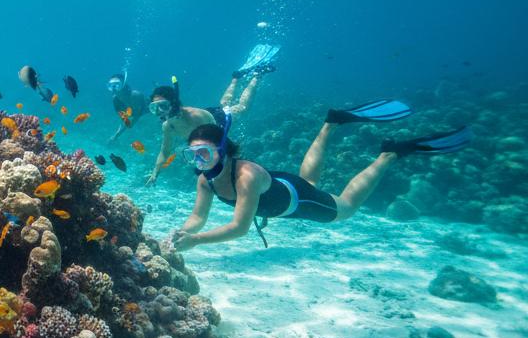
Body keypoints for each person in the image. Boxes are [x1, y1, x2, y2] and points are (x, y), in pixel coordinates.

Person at [170, 100, 471, 250]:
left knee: (346, 208)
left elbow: (239, 228)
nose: (199, 161)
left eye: (205, 154)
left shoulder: (244, 177)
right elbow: (198, 217)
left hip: (298, 201)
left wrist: (195, 241)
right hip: (284, 185)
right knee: (309, 179)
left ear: (223, 151)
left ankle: (389, 154)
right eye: (192, 155)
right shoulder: (204, 179)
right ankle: (331, 124)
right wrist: (185, 231)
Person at [144, 68, 271, 186]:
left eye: (163, 106)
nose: (160, 112)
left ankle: (257, 75)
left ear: (174, 103)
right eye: (154, 108)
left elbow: (218, 139)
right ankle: (235, 78)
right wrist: (155, 173)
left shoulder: (196, 116)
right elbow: (165, 151)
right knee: (224, 104)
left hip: (218, 122)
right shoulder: (168, 126)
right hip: (208, 118)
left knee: (242, 108)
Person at [107, 71, 147, 141]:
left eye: (117, 84)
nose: (114, 88)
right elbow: (124, 120)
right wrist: (115, 136)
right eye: (111, 85)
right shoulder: (115, 100)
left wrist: (116, 135)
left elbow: (137, 115)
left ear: (123, 84)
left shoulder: (135, 95)